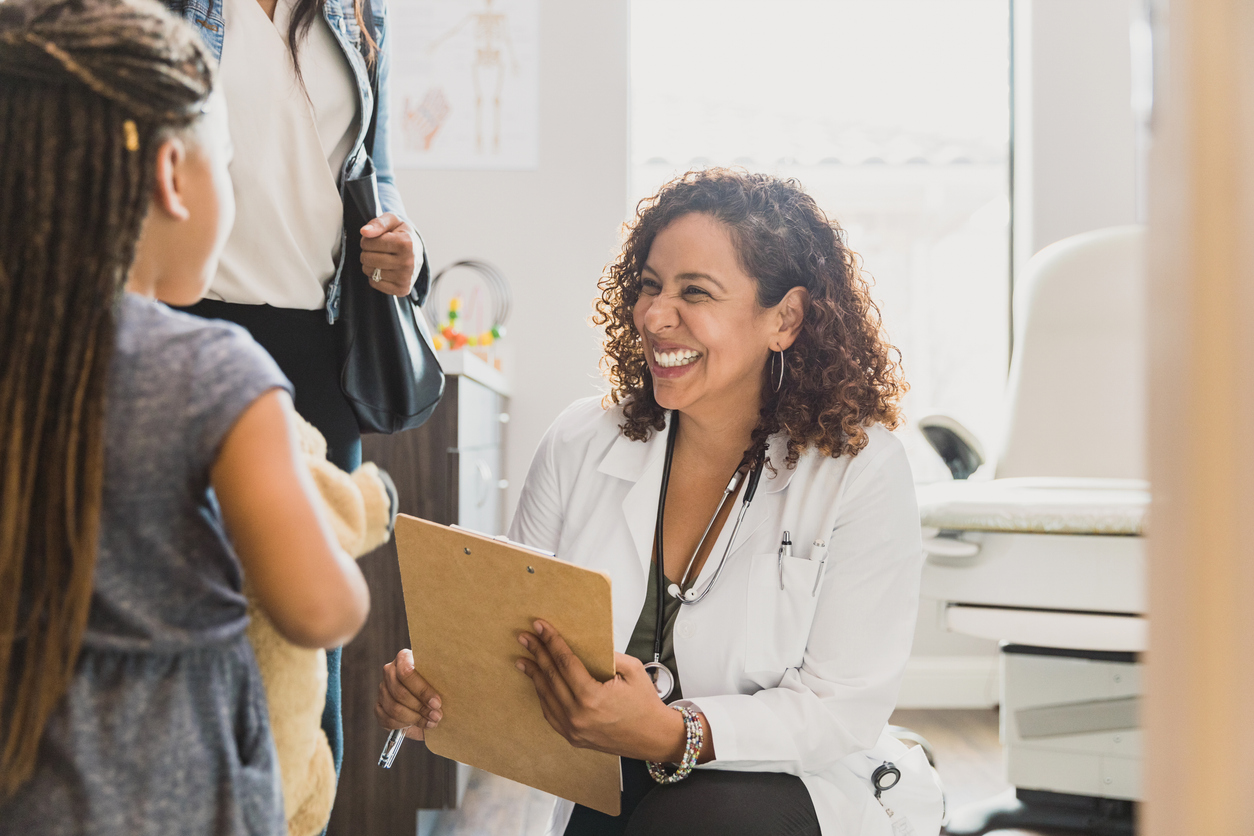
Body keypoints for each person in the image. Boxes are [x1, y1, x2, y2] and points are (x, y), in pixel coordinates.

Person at [375, 169, 945, 836]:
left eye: (694, 292)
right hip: (612, 785)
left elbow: (840, 711)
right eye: (649, 287)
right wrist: (438, 687)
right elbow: (512, 642)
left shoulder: (859, 469)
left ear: (784, 318)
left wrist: (676, 731)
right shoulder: (580, 443)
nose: (652, 314)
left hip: (791, 784)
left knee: (697, 818)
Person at [0, 0, 370, 832]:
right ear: (173, 174)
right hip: (176, 796)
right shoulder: (212, 371)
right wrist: (333, 538)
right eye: (226, 162)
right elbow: (320, 609)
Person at [161, 0, 427, 778]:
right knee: (188, 609)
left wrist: (405, 246)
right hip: (188, 323)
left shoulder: (357, 9)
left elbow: (373, 174)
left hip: (317, 347)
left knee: (306, 655)